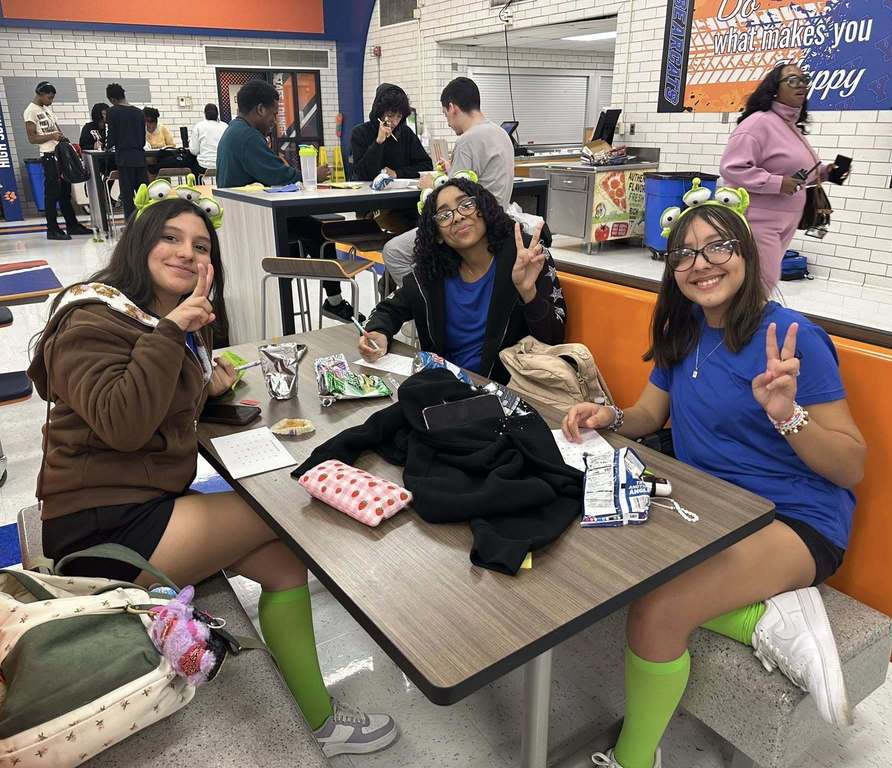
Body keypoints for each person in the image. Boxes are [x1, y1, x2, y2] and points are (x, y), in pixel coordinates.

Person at [27, 194, 398, 759]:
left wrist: (204, 386)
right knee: (288, 513)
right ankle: (321, 714)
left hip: (145, 504)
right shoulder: (92, 317)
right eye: (171, 238)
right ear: (139, 242)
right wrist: (174, 331)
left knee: (282, 564)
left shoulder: (150, 315)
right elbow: (124, 422)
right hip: (101, 531)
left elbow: (153, 403)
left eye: (201, 246)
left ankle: (318, 719)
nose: (187, 253)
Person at [561, 198, 865, 768]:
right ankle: (762, 618)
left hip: (796, 521)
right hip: (712, 510)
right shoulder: (685, 330)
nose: (701, 263)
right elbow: (650, 415)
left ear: (746, 253)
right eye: (684, 252)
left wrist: (787, 415)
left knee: (656, 609)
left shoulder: (791, 337)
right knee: (598, 560)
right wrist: (611, 417)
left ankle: (633, 759)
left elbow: (851, 467)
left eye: (718, 246)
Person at [359, 176, 565, 383]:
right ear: (437, 234)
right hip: (445, 385)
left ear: (483, 209)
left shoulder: (525, 256)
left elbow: (553, 340)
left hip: (505, 390)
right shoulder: (433, 274)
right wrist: (378, 332)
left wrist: (528, 292)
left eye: (466, 205)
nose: (457, 217)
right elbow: (389, 308)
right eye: (444, 215)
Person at [216, 81, 355, 323]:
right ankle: (333, 302)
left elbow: (270, 170)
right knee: (321, 232)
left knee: (317, 228)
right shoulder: (248, 137)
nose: (275, 119)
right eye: (273, 112)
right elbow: (280, 176)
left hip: (244, 220)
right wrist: (312, 176)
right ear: (259, 109)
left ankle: (323, 298)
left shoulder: (235, 131)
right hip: (258, 224)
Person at [720, 63, 847, 291]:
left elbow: (797, 174)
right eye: (792, 80)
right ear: (774, 89)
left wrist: (826, 172)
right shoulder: (759, 122)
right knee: (762, 282)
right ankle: (744, 325)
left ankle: (745, 323)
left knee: (760, 281)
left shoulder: (790, 126)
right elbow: (733, 168)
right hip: (758, 220)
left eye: (804, 79)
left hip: (785, 220)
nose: (801, 85)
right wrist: (777, 183)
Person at [381, 76, 515, 285]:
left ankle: (423, 306)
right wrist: (453, 171)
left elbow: (450, 201)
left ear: (452, 107)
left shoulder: (468, 139)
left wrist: (429, 186)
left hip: (471, 224)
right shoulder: (500, 133)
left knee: (394, 251)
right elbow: (474, 183)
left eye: (445, 114)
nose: (448, 122)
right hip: (496, 220)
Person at [23, 81, 92, 240]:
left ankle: (72, 225)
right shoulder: (30, 111)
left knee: (65, 193)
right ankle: (52, 229)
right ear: (40, 94)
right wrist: (52, 136)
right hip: (49, 155)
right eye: (49, 97)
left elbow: (57, 130)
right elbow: (32, 138)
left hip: (60, 154)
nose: (51, 101)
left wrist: (63, 140)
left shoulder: (47, 110)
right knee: (52, 194)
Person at [349, 83, 432, 182]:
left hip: (401, 193)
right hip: (369, 195)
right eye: (390, 115)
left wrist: (397, 173)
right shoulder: (360, 133)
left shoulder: (405, 133)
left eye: (399, 116)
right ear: (379, 113)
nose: (395, 122)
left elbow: (426, 165)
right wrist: (378, 142)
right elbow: (361, 173)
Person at [105, 83, 148, 223]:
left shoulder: (113, 112)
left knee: (127, 195)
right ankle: (148, 221)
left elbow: (112, 136)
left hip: (124, 157)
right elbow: (142, 138)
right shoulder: (139, 112)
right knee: (144, 193)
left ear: (112, 99)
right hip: (139, 157)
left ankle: (131, 223)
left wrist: (107, 146)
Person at [80, 102, 111, 232]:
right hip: (93, 159)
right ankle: (97, 196)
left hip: (107, 158)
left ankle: (107, 193)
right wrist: (92, 146)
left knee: (114, 167)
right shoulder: (89, 127)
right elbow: (83, 145)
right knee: (95, 174)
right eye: (103, 113)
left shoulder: (110, 127)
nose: (105, 116)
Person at [189, 103, 227, 176]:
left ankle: (199, 186)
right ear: (217, 113)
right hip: (223, 165)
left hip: (204, 165)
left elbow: (194, 151)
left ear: (205, 114)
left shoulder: (199, 126)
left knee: (192, 165)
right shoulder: (225, 126)